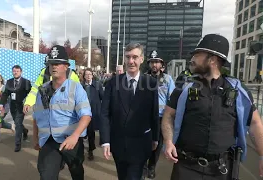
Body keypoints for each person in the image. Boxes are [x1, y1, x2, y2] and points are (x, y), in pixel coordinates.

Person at [162, 34, 263, 180]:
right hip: (186, 167)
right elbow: (168, 115)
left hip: (222, 170)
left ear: (212, 60)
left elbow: (254, 123)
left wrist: (262, 155)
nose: (192, 59)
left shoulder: (238, 90)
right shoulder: (184, 87)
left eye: (197, 55)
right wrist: (168, 141)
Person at [100, 43, 159, 180]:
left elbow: (154, 113)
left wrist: (155, 137)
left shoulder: (151, 83)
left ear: (142, 59)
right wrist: (105, 141)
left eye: (135, 57)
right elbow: (104, 114)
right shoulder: (113, 83)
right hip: (118, 143)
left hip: (140, 143)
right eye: (128, 57)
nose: (131, 61)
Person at [33, 45, 92, 180]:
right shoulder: (42, 90)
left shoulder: (75, 88)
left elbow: (86, 115)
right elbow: (37, 116)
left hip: (71, 140)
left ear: (66, 66)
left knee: (76, 172)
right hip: (49, 141)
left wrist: (75, 136)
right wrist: (36, 137)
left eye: (58, 63)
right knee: (46, 175)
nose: (54, 67)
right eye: (51, 63)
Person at [144, 50, 175, 179]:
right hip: (146, 116)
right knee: (145, 141)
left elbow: (172, 98)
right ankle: (143, 165)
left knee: (157, 145)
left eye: (156, 62)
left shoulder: (167, 79)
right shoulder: (143, 78)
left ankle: (151, 166)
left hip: (161, 117)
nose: (154, 65)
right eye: (152, 62)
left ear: (162, 64)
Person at [0, 65, 31, 152]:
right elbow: (5, 94)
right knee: (18, 123)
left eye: (17, 71)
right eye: (14, 71)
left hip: (21, 106)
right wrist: (2, 104)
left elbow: (30, 94)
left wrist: (28, 104)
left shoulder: (26, 82)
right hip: (12, 106)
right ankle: (25, 131)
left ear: (21, 72)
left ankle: (17, 144)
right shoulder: (9, 82)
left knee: (17, 123)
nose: (15, 72)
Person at [81, 68, 104, 161]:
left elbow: (103, 97)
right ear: (84, 76)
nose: (88, 76)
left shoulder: (97, 85)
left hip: (93, 113)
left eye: (90, 74)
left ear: (92, 75)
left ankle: (91, 150)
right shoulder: (81, 86)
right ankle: (81, 150)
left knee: (91, 132)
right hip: (82, 112)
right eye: (86, 74)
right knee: (82, 133)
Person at [0, 73, 15, 145]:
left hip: (4, 107)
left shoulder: (5, 87)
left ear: (1, 79)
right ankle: (10, 126)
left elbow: (10, 97)